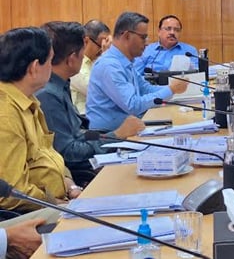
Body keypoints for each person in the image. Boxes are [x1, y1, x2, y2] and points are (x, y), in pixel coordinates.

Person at [37, 22, 145, 186]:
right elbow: (68, 152)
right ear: (72, 58)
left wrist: (112, 136)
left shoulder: (61, 85)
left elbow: (79, 133)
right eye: (82, 52)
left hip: (89, 159)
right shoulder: (48, 94)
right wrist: (115, 135)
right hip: (79, 173)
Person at [0, 27, 82, 212]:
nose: (53, 68)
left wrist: (71, 187)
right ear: (35, 67)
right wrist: (59, 205)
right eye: (51, 61)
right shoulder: (5, 114)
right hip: (24, 214)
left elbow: (49, 155)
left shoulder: (29, 100)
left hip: (56, 201)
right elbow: (12, 193)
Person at [86, 12, 187, 132]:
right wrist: (171, 90)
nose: (147, 42)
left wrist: (173, 88)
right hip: (109, 136)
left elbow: (146, 89)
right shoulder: (110, 65)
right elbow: (133, 105)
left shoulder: (125, 62)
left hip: (129, 129)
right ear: (127, 36)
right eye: (143, 37)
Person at [70, 19, 111, 114]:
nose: (103, 49)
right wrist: (106, 57)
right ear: (86, 41)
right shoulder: (75, 63)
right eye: (101, 44)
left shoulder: (95, 61)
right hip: (83, 119)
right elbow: (100, 92)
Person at [133, 15, 198, 75]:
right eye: (168, 29)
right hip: (151, 85)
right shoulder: (147, 50)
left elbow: (197, 75)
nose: (172, 32)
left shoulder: (190, 51)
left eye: (176, 30)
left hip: (180, 86)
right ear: (159, 31)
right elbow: (135, 75)